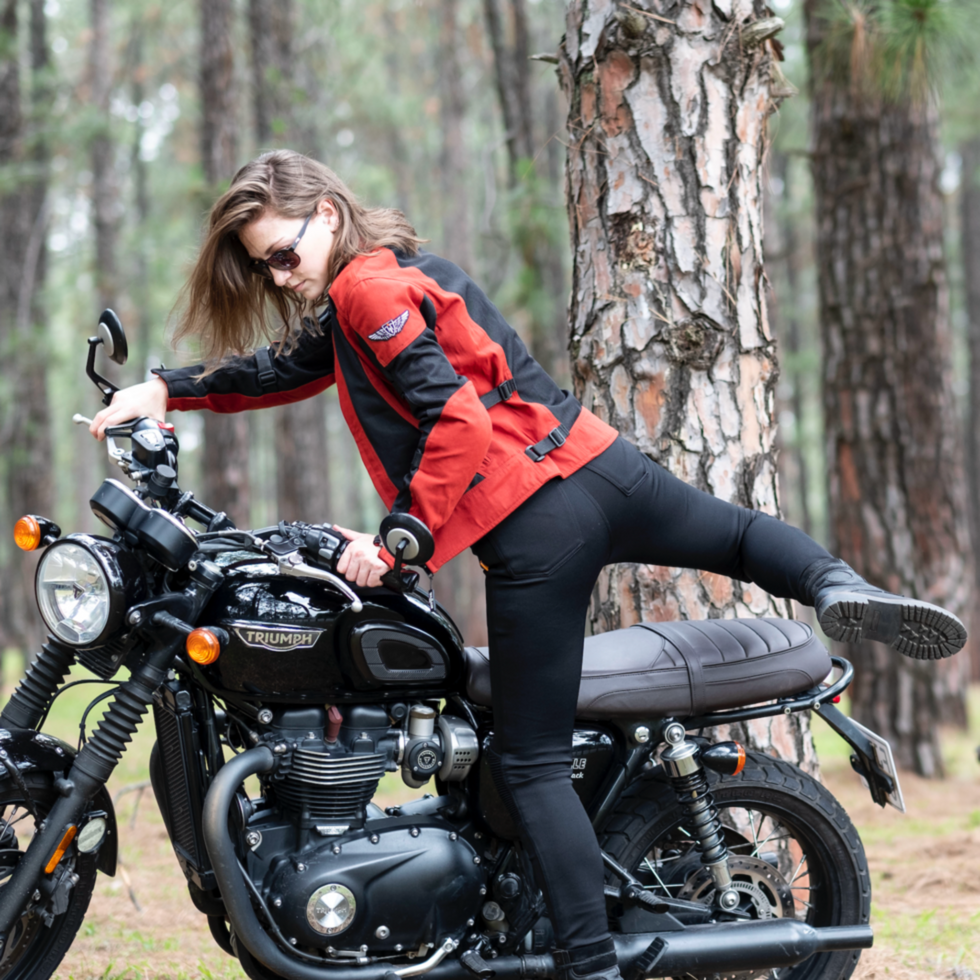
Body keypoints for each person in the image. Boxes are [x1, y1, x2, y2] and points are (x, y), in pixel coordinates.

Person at [90, 149, 966, 980]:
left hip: (536, 525)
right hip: (600, 465)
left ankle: (588, 965)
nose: (282, 277)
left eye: (284, 254)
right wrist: (167, 386)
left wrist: (402, 538)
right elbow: (283, 368)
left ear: (327, 213)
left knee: (530, 762)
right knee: (738, 536)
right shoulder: (395, 271)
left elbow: (459, 424)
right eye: (266, 268)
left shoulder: (365, 292)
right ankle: (835, 586)